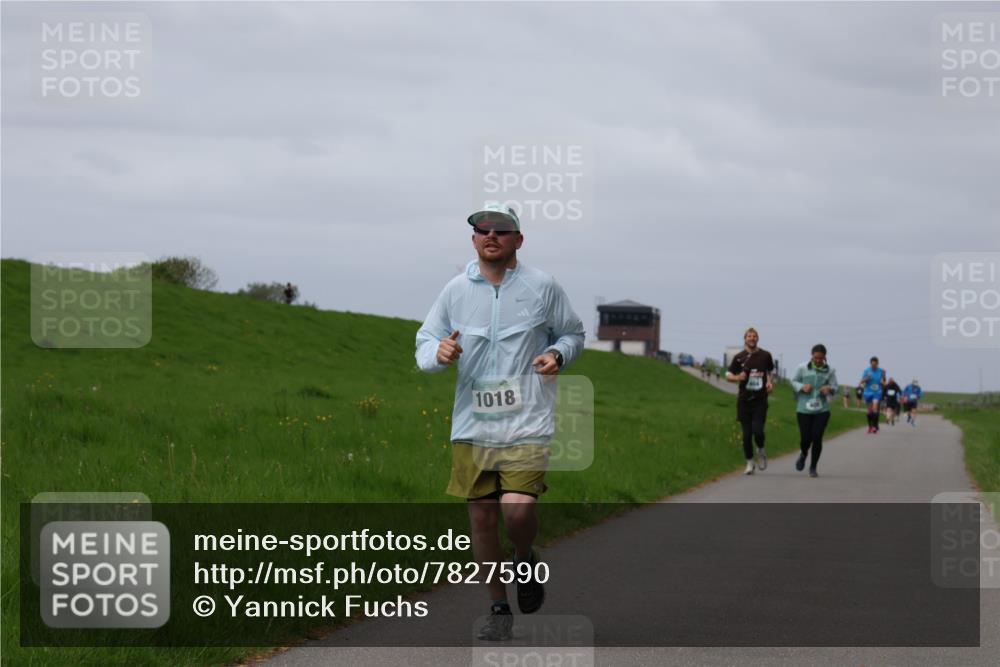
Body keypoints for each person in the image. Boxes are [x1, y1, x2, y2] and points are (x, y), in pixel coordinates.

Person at [415, 203, 585, 641]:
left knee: (518, 508)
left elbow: (573, 333)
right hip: (472, 425)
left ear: (518, 240)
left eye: (502, 229)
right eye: (482, 228)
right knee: (483, 521)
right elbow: (426, 340)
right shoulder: (455, 290)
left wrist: (558, 353)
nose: (491, 234)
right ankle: (498, 609)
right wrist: (438, 353)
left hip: (527, 420)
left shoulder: (542, 287)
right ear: (474, 239)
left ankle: (524, 557)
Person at [725, 327, 774, 475]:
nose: (752, 338)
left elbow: (770, 371)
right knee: (746, 435)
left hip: (760, 400)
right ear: (745, 339)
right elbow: (728, 374)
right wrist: (737, 377)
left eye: (754, 336)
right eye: (749, 336)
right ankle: (749, 462)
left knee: (758, 431)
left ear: (757, 338)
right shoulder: (739, 357)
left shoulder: (765, 355)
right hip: (744, 401)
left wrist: (770, 382)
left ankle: (761, 449)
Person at [791, 344, 839, 477]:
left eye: (820, 358)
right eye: (816, 358)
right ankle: (803, 454)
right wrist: (802, 387)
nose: (818, 360)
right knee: (805, 439)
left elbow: (836, 386)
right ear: (811, 355)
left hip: (822, 410)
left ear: (824, 357)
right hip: (803, 409)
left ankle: (813, 467)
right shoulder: (802, 368)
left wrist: (829, 388)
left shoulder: (830, 370)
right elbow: (793, 381)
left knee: (817, 437)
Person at [859, 356, 886, 434]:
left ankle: (874, 426)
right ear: (870, 364)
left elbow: (884, 381)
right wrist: (867, 378)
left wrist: (883, 379)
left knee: (875, 407)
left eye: (875, 365)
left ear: (877, 364)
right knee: (869, 411)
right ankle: (870, 426)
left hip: (877, 391)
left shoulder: (881, 371)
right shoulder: (867, 370)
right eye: (872, 365)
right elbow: (862, 381)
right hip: (868, 392)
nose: (873, 366)